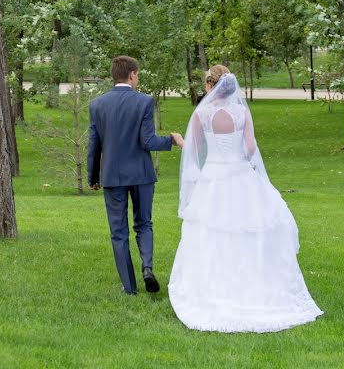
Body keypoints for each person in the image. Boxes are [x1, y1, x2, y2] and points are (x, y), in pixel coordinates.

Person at [168, 65, 323, 332]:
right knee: (247, 231)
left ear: (209, 85)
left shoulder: (201, 113)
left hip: (213, 180)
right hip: (239, 175)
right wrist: (249, 166)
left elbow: (193, 149)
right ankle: (251, 285)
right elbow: (250, 147)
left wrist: (180, 142)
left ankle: (214, 287)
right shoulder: (241, 112)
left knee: (212, 233)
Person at [87, 56, 184, 295]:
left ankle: (129, 288)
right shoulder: (144, 102)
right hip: (141, 174)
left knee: (118, 232)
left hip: (111, 176)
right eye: (137, 75)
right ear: (131, 75)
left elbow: (94, 145)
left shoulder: (97, 105)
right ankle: (147, 268)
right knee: (144, 223)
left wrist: (93, 177)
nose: (137, 79)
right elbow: (148, 141)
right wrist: (170, 140)